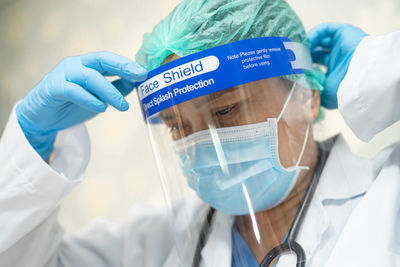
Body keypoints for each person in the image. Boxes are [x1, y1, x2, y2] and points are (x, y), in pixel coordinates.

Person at [0, 1, 399, 267]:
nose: (202, 141)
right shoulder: (155, 244)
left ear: (306, 95)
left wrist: (376, 71)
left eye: (224, 109)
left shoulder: (387, 198)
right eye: (177, 126)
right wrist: (32, 144)